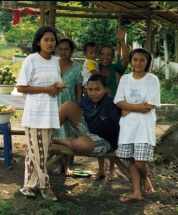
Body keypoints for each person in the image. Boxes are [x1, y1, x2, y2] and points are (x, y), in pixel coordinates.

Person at [16, 25, 66, 201]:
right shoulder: (31, 60)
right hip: (35, 113)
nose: (50, 43)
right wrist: (47, 89)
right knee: (39, 152)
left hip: (50, 112)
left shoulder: (55, 61)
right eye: (46, 40)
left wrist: (59, 86)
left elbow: (57, 82)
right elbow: (21, 87)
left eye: (53, 40)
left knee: (39, 151)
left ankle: (28, 185)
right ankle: (45, 185)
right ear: (38, 42)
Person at [53, 74, 121, 181]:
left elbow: (119, 126)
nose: (93, 93)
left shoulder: (110, 102)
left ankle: (68, 141)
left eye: (97, 89)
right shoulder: (86, 99)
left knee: (81, 145)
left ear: (104, 89)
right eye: (90, 89)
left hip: (104, 140)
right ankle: (43, 135)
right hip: (89, 131)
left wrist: (122, 146)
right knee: (67, 106)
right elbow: (75, 113)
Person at [114, 48, 161, 202]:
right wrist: (136, 107)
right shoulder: (125, 79)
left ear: (147, 62)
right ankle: (136, 192)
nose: (138, 63)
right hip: (128, 127)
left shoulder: (152, 79)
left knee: (140, 162)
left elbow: (150, 105)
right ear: (131, 61)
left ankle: (145, 177)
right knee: (132, 160)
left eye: (142, 60)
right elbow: (118, 101)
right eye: (135, 60)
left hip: (143, 127)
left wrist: (128, 108)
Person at [90, 25, 130, 181]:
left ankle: (112, 169)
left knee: (112, 137)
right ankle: (101, 170)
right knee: (99, 136)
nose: (105, 57)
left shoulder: (115, 68)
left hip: (113, 108)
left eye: (109, 54)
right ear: (99, 55)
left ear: (113, 57)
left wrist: (121, 41)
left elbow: (126, 59)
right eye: (103, 54)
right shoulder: (94, 68)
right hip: (97, 108)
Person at [52, 38, 83, 176]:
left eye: (66, 49)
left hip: (70, 104)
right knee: (57, 133)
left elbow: (79, 89)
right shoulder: (52, 64)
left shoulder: (77, 68)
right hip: (54, 104)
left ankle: (67, 166)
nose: (63, 52)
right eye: (61, 49)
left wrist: (78, 105)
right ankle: (59, 164)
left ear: (72, 51)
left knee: (69, 133)